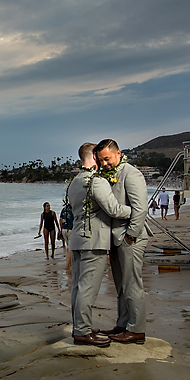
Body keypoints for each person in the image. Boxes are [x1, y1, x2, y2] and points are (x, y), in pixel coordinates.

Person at [68, 142, 132, 347]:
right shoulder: (96, 182)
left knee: (77, 287)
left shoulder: (75, 182)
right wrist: (136, 212)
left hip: (76, 240)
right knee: (88, 288)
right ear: (94, 157)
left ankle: (79, 326)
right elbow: (113, 209)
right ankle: (83, 332)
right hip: (94, 241)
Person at [93, 139, 149, 345]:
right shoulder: (109, 174)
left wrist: (131, 236)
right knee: (121, 286)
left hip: (130, 238)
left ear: (118, 153)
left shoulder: (131, 173)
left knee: (132, 284)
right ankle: (123, 324)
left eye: (107, 159)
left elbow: (140, 208)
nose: (105, 164)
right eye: (101, 161)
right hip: (116, 238)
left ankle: (137, 329)